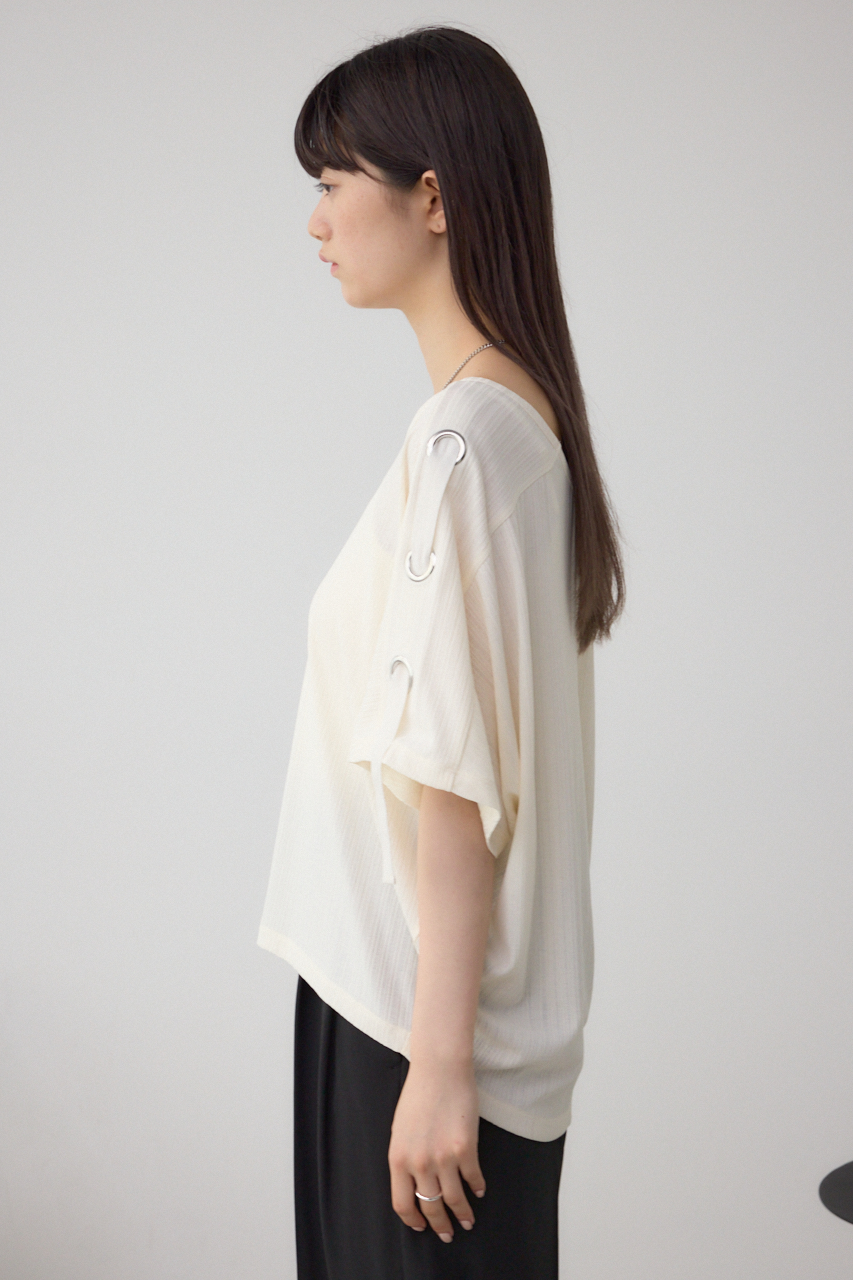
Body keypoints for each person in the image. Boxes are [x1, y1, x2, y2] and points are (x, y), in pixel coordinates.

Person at [257, 24, 624, 1279]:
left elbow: (451, 782)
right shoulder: (517, 426)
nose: (315, 221)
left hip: (409, 1025)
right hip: (420, 1021)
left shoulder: (465, 442)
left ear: (432, 197)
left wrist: (439, 1063)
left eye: (331, 181)